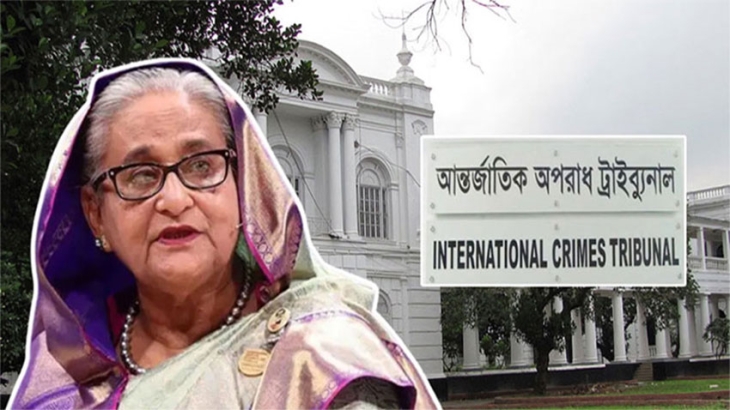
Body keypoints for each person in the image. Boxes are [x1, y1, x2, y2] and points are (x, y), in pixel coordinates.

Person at [8, 58, 441, 409]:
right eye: (140, 174)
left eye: (202, 166)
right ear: (95, 214)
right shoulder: (69, 373)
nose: (174, 199)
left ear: (244, 187)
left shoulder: (321, 358)